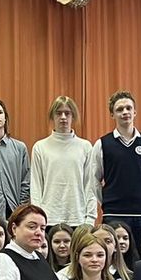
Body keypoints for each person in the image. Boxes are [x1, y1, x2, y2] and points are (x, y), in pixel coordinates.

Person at [89, 91, 141, 248]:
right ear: (112, 114)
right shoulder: (102, 144)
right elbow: (94, 179)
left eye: (128, 108)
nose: (125, 112)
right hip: (114, 213)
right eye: (120, 109)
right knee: (114, 254)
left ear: (135, 112)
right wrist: (108, 200)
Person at [31, 96, 95, 228]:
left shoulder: (85, 147)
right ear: (52, 116)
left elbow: (90, 186)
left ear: (73, 116)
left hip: (79, 219)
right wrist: (38, 217)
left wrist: (90, 219)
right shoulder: (40, 147)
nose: (63, 117)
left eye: (67, 113)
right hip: (48, 219)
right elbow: (36, 186)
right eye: (59, 113)